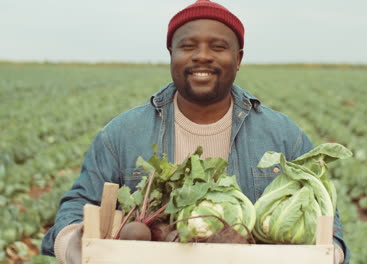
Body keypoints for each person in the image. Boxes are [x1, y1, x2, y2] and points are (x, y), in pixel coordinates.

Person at [41, 0, 349, 263]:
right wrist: (80, 245)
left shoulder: (283, 135)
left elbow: (328, 225)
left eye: (218, 47)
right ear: (171, 55)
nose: (202, 56)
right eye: (188, 46)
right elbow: (76, 207)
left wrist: (326, 253)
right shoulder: (121, 134)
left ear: (238, 59)